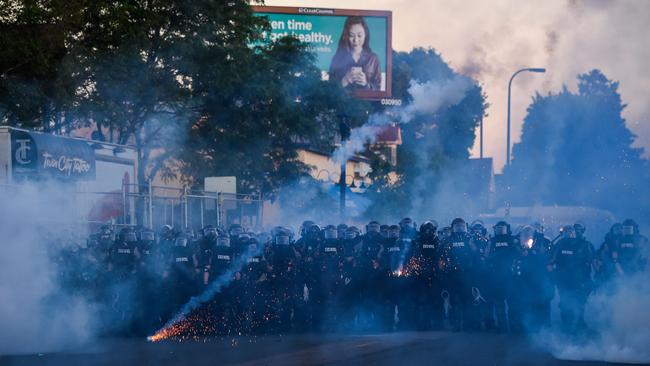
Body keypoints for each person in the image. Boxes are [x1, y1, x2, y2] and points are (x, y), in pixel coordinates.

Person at [549, 225, 594, 333]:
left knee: (579, 302)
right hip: (563, 279)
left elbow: (590, 260)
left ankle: (579, 323)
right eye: (566, 232)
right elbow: (552, 260)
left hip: (579, 279)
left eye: (571, 232)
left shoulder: (583, 245)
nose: (569, 234)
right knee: (564, 301)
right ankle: (566, 324)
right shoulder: (560, 244)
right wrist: (552, 271)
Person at [329, 16, 381, 91]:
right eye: (351, 35)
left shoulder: (373, 59)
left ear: (365, 35)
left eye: (359, 36)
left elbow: (378, 90)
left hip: (365, 102)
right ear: (346, 36)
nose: (355, 40)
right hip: (343, 102)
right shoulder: (337, 58)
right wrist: (345, 80)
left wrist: (366, 84)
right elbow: (329, 90)